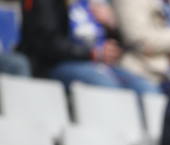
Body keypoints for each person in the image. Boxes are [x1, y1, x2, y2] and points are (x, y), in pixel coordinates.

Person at [18, 0, 158, 93]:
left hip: (99, 65)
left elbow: (114, 44)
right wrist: (91, 53)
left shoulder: (95, 2)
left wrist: (112, 26)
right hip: (55, 65)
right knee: (105, 85)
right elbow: (45, 42)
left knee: (145, 87)